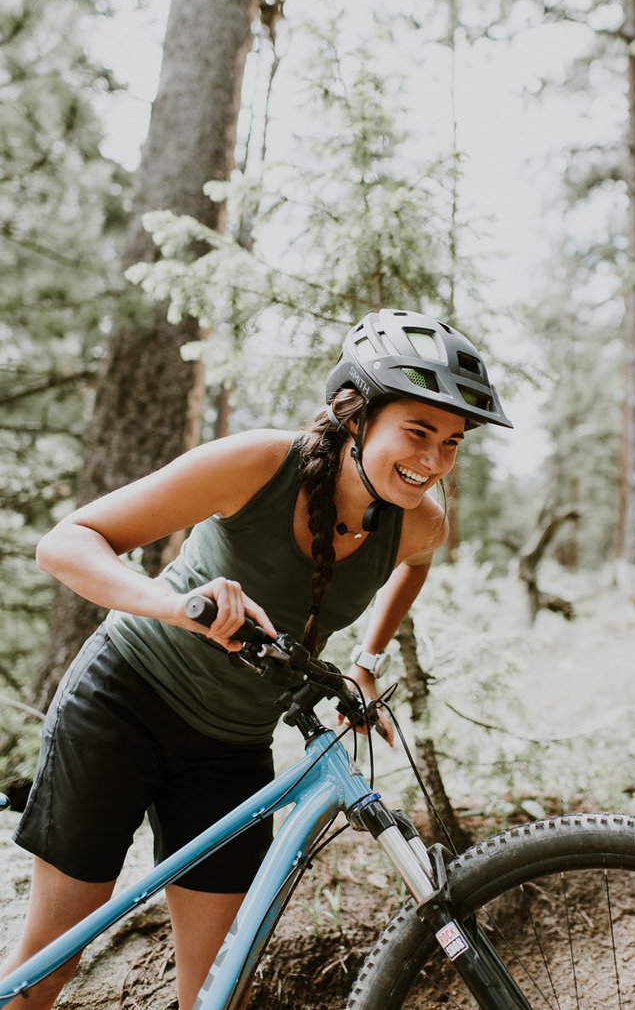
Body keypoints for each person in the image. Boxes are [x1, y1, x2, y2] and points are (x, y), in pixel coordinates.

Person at [1, 307, 512, 1009]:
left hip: (232, 745)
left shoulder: (417, 519)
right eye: (417, 432)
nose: (432, 461)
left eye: (451, 443)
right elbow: (66, 541)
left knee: (217, 993)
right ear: (356, 414)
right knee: (47, 970)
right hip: (120, 707)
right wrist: (174, 605)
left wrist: (366, 659)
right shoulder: (257, 464)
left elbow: (414, 567)